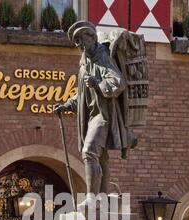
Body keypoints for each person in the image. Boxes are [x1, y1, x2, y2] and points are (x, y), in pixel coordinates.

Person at [54, 21, 137, 208]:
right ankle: (102, 196)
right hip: (91, 116)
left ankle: (92, 197)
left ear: (92, 38)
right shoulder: (84, 63)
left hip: (104, 116)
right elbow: (83, 93)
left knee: (89, 151)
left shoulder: (103, 57)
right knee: (102, 157)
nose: (80, 45)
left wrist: (98, 83)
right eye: (77, 42)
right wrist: (67, 105)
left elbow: (118, 82)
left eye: (82, 40)